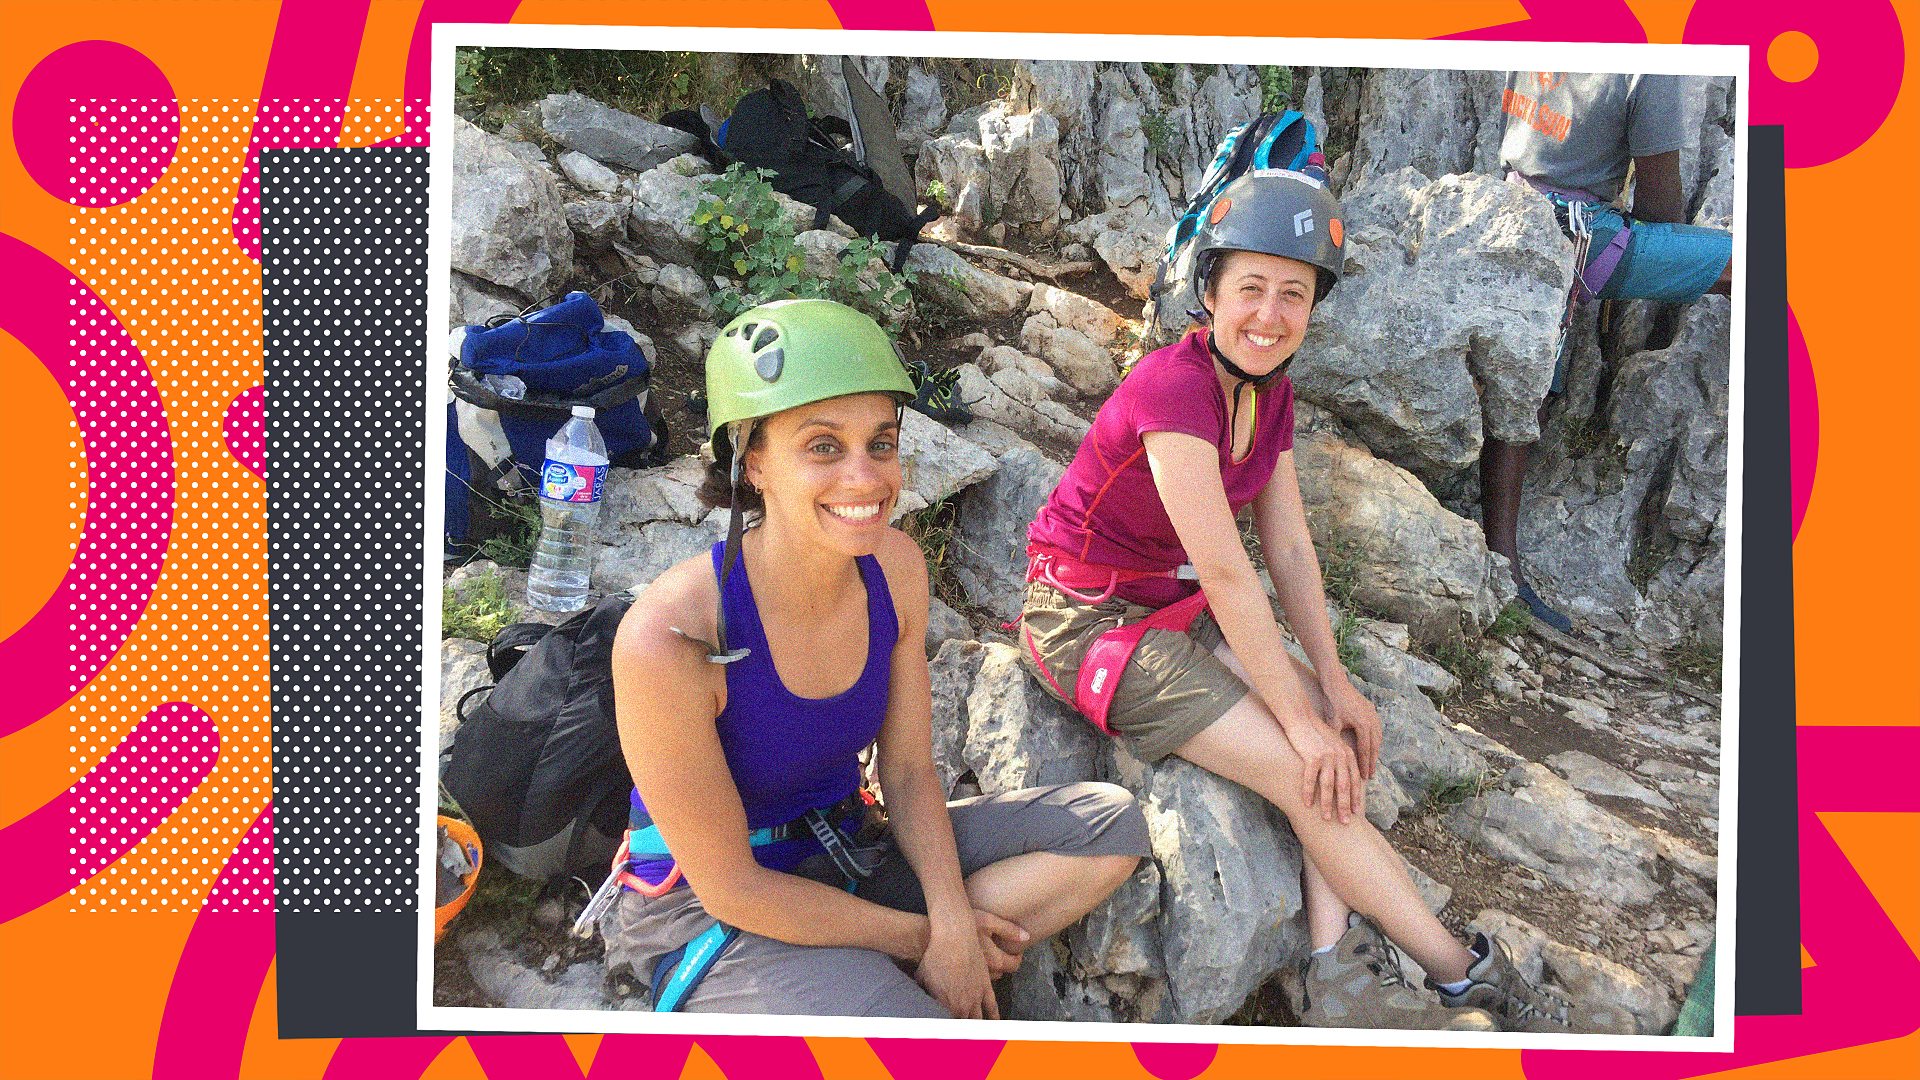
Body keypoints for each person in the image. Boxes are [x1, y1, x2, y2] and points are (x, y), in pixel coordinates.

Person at [1017, 171, 1629, 1033]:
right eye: (1251, 290)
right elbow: (1229, 574)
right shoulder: (1171, 388)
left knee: (1328, 730)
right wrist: (1297, 721)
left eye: (1293, 295)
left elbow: (1292, 547)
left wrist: (1331, 684)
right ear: (1211, 292)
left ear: (1314, 308)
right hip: (1082, 620)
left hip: (1159, 603)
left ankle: (1336, 960)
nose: (1269, 315)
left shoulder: (1268, 394)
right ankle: (1464, 974)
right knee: (1305, 764)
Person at [600, 298, 1148, 1018]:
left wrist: (952, 923)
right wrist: (926, 939)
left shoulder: (894, 568)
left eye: (881, 444)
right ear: (752, 460)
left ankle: (874, 974)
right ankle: (882, 983)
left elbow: (911, 771)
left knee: (1110, 827)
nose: (866, 479)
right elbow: (733, 886)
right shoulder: (671, 637)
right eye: (823, 446)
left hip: (846, 853)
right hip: (710, 911)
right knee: (926, 1041)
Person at [1487, 71, 1736, 630]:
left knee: (1529, 388)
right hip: (1582, 233)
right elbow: (1660, 202)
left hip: (1511, 204)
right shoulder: (1651, 67)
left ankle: (1503, 564)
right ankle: (1505, 569)